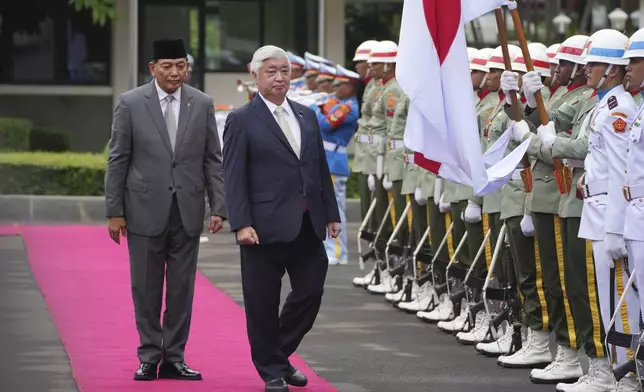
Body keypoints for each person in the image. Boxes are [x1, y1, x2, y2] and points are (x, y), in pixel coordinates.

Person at [104, 38, 226, 381]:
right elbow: (118, 159)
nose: (175, 72)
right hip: (143, 209)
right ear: (153, 68)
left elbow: (212, 159)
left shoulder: (201, 103)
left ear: (187, 67)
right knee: (145, 288)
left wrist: (219, 206)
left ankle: (174, 357)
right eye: (167, 66)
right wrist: (114, 211)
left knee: (181, 289)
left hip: (187, 209)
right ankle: (148, 356)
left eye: (181, 65)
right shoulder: (130, 103)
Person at [222, 45, 341, 392]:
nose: (279, 77)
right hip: (261, 227)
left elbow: (319, 167)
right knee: (261, 303)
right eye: (271, 71)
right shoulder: (242, 119)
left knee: (310, 291)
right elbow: (233, 176)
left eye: (284, 71)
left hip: (307, 223)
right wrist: (241, 222)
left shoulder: (306, 115)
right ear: (255, 75)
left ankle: (277, 354)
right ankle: (272, 370)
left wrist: (331, 213)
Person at [311, 65, 360, 266]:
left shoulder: (348, 107)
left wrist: (314, 107)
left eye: (340, 84)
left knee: (334, 210)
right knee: (324, 208)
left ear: (350, 87)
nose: (335, 87)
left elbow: (325, 124)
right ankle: (331, 249)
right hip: (327, 160)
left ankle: (338, 251)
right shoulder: (339, 103)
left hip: (334, 162)